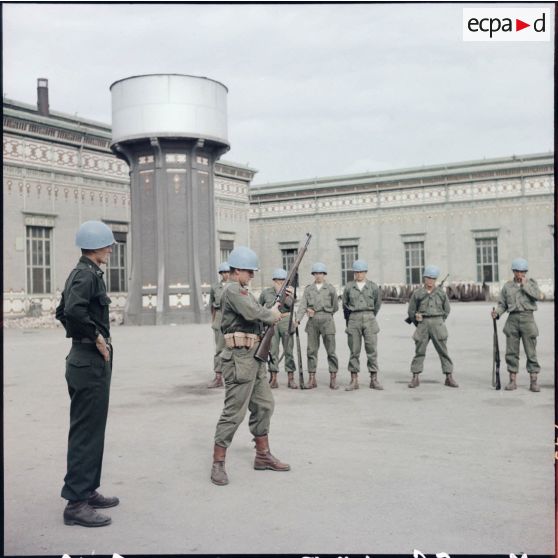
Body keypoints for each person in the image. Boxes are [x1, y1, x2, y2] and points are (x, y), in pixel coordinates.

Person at [55, 220, 119, 527]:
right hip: (88, 360)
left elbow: (62, 311)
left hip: (87, 359)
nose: (109, 249)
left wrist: (85, 337)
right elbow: (71, 312)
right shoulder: (85, 274)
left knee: (93, 429)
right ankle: (76, 503)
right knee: (85, 431)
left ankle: (87, 489)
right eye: (107, 245)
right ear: (95, 246)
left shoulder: (86, 273)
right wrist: (93, 337)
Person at [211, 246, 290, 486]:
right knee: (233, 413)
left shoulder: (242, 289)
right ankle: (218, 463)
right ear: (236, 271)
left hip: (254, 357)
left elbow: (256, 315)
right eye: (249, 271)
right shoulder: (233, 290)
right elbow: (254, 312)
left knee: (265, 405)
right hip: (239, 359)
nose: (252, 276)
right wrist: (271, 313)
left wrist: (272, 311)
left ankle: (262, 455)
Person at [491, 258, 542, 392]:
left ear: (526, 272)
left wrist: (525, 285)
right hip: (512, 320)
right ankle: (512, 381)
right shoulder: (507, 286)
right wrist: (497, 313)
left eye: (523, 271)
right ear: (514, 272)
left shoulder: (531, 283)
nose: (520, 274)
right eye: (518, 271)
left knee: (531, 352)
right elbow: (502, 304)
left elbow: (538, 296)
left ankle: (534, 381)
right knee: (511, 352)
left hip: (528, 318)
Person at [407, 265, 458, 388]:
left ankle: (449, 376)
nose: (430, 281)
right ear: (424, 278)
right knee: (419, 351)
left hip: (437, 323)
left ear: (435, 280)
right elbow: (411, 311)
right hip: (423, 324)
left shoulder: (441, 293)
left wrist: (439, 320)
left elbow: (447, 309)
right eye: (428, 278)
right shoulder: (418, 293)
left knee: (443, 351)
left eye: (433, 278)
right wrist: (418, 323)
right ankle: (415, 377)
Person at [294, 262, 339, 389]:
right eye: (316, 273)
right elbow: (303, 305)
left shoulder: (330, 289)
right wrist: (298, 319)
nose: (318, 276)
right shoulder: (309, 289)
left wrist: (326, 313)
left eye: (321, 273)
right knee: (311, 351)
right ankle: (312, 379)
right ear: (313, 275)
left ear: (324, 274)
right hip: (312, 321)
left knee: (331, 351)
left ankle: (333, 378)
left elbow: (335, 306)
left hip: (327, 320)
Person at [342, 259, 383, 391]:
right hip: (354, 318)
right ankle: (354, 380)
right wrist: (350, 320)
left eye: (361, 272)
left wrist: (370, 315)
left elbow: (377, 303)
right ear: (354, 273)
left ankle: (374, 379)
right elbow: (345, 305)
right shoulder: (349, 287)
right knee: (354, 350)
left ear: (365, 272)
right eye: (357, 272)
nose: (359, 274)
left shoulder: (373, 286)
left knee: (372, 350)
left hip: (369, 317)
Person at [259, 268, 297, 389]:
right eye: (277, 281)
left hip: (286, 320)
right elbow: (258, 307)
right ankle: (273, 378)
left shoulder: (289, 292)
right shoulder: (266, 293)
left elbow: (291, 305)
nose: (280, 283)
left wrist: (289, 295)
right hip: (272, 322)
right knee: (272, 350)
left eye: (282, 281)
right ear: (273, 281)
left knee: (289, 350)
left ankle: (291, 378)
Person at [207, 262, 231, 388]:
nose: (226, 275)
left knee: (233, 348)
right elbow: (211, 305)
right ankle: (218, 377)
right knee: (219, 349)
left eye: (228, 272)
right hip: (219, 317)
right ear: (221, 274)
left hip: (232, 317)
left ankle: (232, 377)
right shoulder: (215, 287)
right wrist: (214, 321)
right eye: (224, 272)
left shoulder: (234, 286)